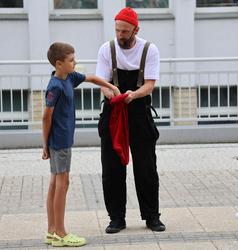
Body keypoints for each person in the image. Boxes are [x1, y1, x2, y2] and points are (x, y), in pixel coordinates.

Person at [42, 42, 120, 247]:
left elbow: (92, 78)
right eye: (71, 60)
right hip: (59, 141)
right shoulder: (55, 86)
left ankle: (52, 231)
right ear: (59, 63)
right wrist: (45, 145)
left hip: (62, 140)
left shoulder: (69, 77)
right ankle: (60, 232)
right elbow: (45, 117)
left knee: (55, 183)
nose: (75, 63)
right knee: (62, 184)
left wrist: (110, 86)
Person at [96, 7, 166, 233]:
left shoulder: (149, 49)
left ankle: (152, 216)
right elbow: (103, 83)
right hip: (114, 112)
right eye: (117, 30)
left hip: (139, 111)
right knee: (112, 168)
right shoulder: (107, 49)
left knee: (146, 167)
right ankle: (116, 218)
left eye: (125, 32)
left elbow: (149, 84)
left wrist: (133, 95)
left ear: (136, 29)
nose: (120, 35)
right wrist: (113, 94)